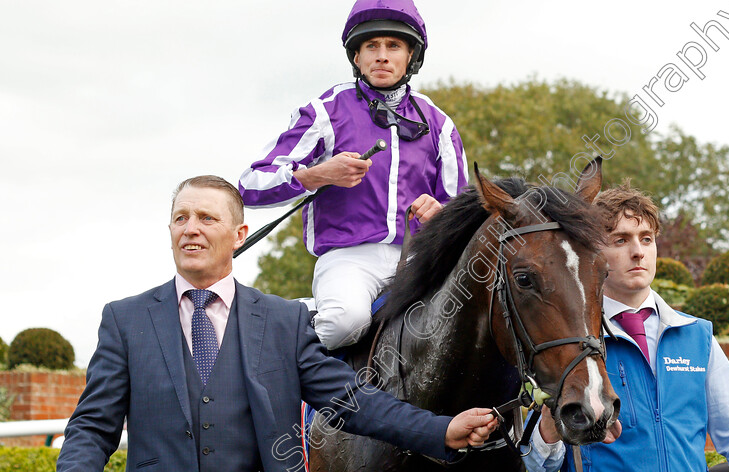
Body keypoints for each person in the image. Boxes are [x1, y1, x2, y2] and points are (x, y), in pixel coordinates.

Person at [57, 176, 497, 472]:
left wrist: (440, 429)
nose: (191, 229)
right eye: (181, 218)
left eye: (207, 218)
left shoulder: (285, 321)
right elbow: (93, 426)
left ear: (239, 234)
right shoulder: (124, 320)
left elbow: (353, 401)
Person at [238, 0, 468, 350]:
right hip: (349, 257)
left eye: (393, 46)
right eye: (371, 46)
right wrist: (316, 175)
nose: (381, 55)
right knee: (346, 322)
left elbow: (462, 209)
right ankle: (303, 332)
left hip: (420, 258)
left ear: (411, 56)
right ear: (356, 57)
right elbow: (251, 185)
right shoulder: (326, 110)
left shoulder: (440, 124)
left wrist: (442, 213)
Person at [521, 182, 729, 471]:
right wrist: (547, 433)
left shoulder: (696, 336)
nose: (638, 251)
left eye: (646, 239)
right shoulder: (566, 342)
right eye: (620, 240)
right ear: (592, 250)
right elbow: (535, 464)